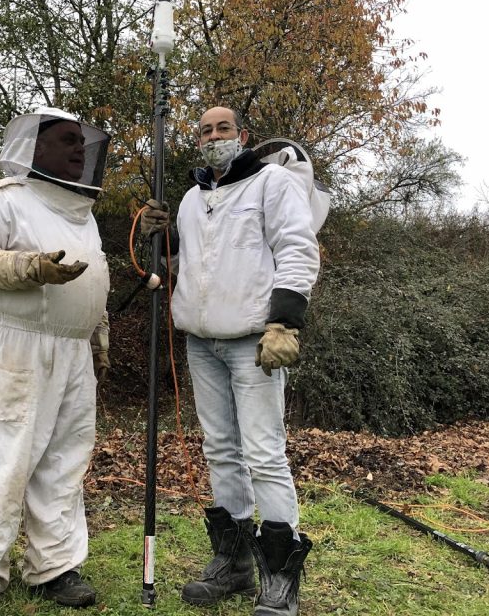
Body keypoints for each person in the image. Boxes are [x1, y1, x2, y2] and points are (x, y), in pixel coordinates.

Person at [141, 106, 320, 616]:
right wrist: (163, 237)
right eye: (205, 130)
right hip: (201, 342)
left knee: (263, 452)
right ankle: (234, 564)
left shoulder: (272, 184)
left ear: (243, 136)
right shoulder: (193, 198)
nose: (214, 136)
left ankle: (280, 577)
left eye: (223, 129)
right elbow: (186, 262)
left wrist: (284, 322)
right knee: (220, 449)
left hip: (252, 342)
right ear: (197, 140)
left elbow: (297, 249)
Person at [0, 106, 112, 613]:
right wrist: (25, 266)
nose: (78, 150)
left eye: (81, 144)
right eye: (66, 141)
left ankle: (55, 567)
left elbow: (93, 280)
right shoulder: (5, 200)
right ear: (34, 148)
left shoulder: (83, 213)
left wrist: (97, 333)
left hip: (74, 353)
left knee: (64, 461)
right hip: (18, 347)